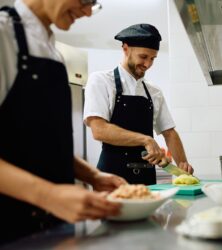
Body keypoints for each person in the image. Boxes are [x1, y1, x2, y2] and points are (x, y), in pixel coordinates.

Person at [0, 0, 127, 244]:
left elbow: (42, 142)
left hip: (51, 227)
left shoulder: (52, 51)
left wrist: (93, 176)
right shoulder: (4, 35)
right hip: (9, 228)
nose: (89, 12)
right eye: (85, 1)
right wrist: (49, 195)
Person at [84, 23, 194, 185]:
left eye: (152, 59)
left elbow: (169, 133)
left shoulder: (154, 91)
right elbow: (99, 130)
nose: (148, 64)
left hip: (146, 178)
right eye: (143, 57)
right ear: (126, 49)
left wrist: (182, 167)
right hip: (112, 178)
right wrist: (146, 140)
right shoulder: (101, 80)